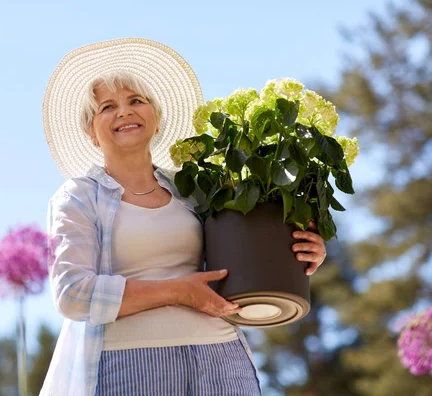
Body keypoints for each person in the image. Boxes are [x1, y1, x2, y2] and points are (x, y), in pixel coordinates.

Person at [41, 38, 327, 396]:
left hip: (222, 358)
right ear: (91, 132)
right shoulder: (78, 198)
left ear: (156, 119)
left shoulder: (195, 189)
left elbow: (244, 260)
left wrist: (301, 250)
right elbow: (73, 295)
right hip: (130, 365)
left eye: (136, 101)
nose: (124, 112)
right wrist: (178, 292)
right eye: (107, 107)